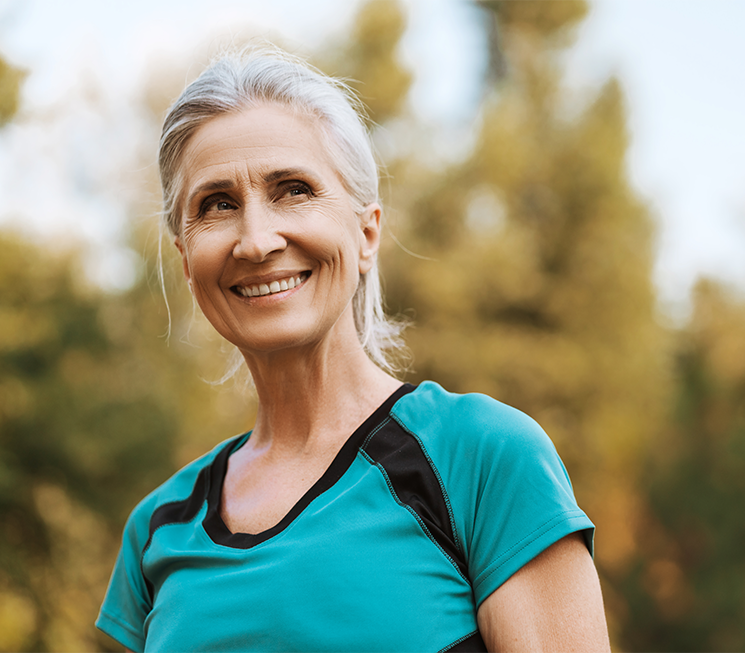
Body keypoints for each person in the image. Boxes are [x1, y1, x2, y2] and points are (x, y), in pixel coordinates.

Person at [96, 47, 612, 653]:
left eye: (293, 189)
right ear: (186, 258)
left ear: (366, 233)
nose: (257, 240)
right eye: (217, 204)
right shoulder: (157, 529)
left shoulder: (481, 458)